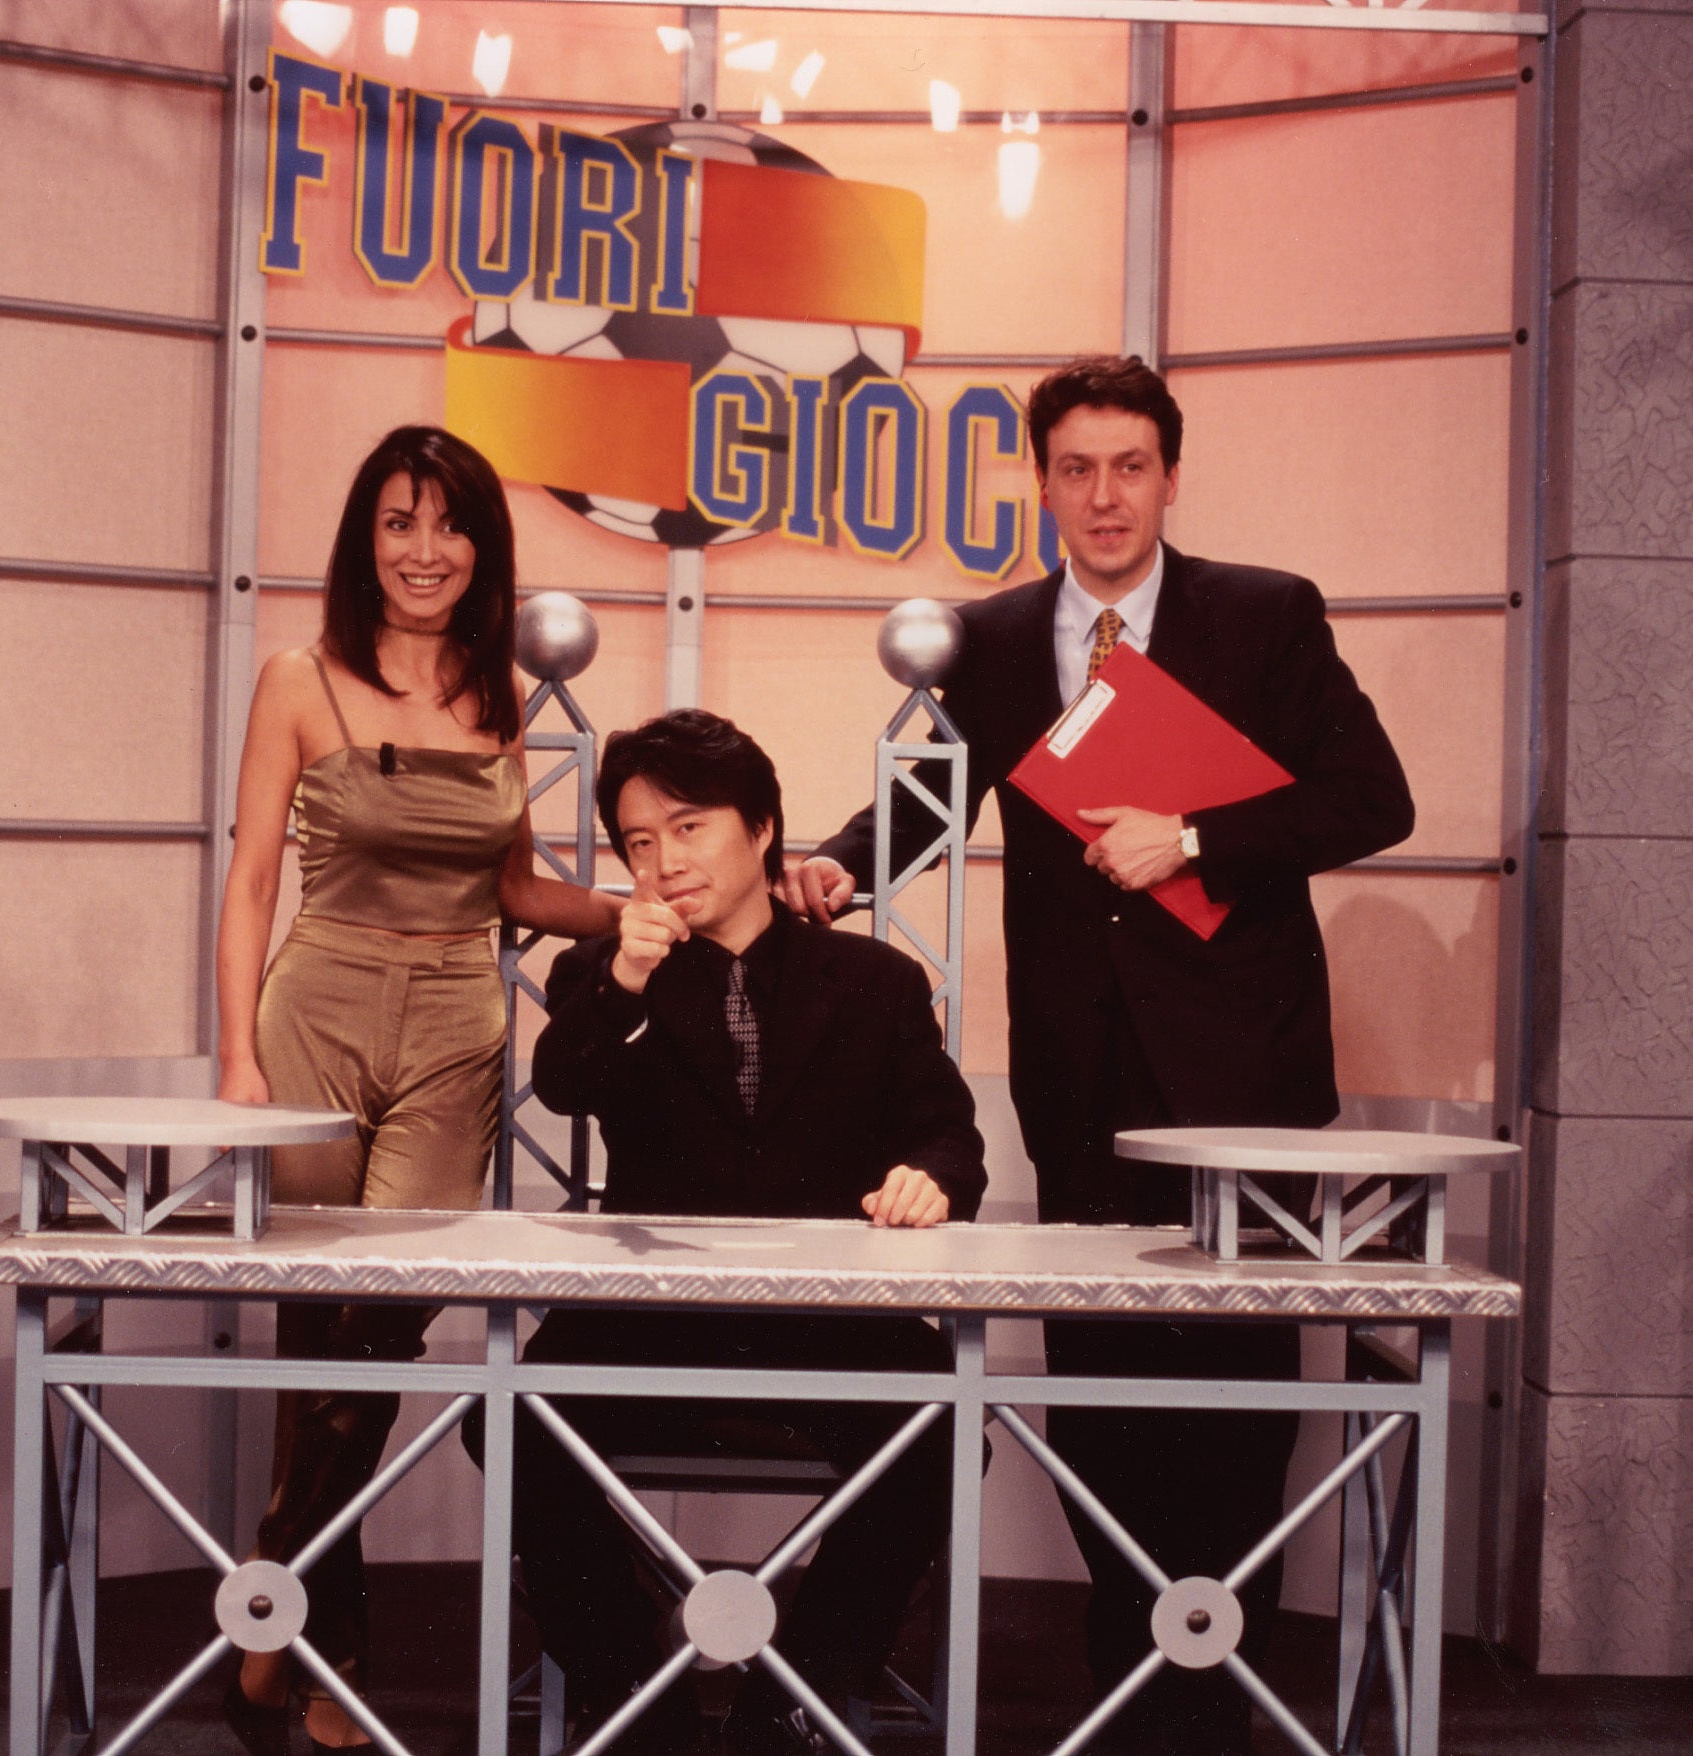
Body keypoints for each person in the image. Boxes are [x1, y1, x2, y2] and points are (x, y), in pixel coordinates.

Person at [783, 357, 1414, 1755]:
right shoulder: (993, 638)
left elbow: (1374, 797)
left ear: (1170, 476)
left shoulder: (1264, 613)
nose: (1106, 495)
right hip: (1078, 1074)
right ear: (1043, 483)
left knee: (1241, 1393)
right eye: (1077, 468)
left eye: (1131, 466)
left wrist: (1191, 839)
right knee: (1097, 1377)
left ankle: (1208, 1675)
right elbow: (930, 803)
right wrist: (837, 862)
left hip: (1244, 1072)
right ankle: (1130, 1662)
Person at [467, 709, 986, 1755]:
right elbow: (564, 1084)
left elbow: (950, 1137)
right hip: (654, 1317)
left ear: (762, 830)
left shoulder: (876, 981)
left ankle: (790, 1708)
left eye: (689, 827)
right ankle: (636, 1703)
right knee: (506, 1421)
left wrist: (929, 1179)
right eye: (639, 841)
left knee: (944, 1425)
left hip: (829, 1322)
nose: (663, 862)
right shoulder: (603, 970)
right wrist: (623, 977)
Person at [214, 426, 622, 1753]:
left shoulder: (497, 694)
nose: (424, 550)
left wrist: (630, 913)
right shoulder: (298, 678)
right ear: (366, 540)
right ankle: (327, 1657)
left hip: (455, 1017)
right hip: (316, 1009)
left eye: (449, 526)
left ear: (483, 549)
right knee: (317, 1328)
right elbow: (252, 882)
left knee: (381, 1320)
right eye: (399, 522)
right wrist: (237, 1059)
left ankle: (269, 1595)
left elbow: (512, 890)